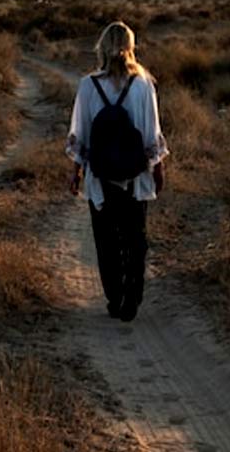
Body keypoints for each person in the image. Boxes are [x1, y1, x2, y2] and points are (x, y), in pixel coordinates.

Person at [66, 21, 168, 322]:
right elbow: (152, 133)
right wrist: (158, 168)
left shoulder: (88, 85)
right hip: (135, 174)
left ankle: (115, 296)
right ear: (130, 47)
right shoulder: (143, 84)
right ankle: (132, 296)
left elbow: (80, 133)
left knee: (106, 238)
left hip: (100, 174)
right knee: (135, 237)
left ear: (101, 46)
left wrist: (76, 171)